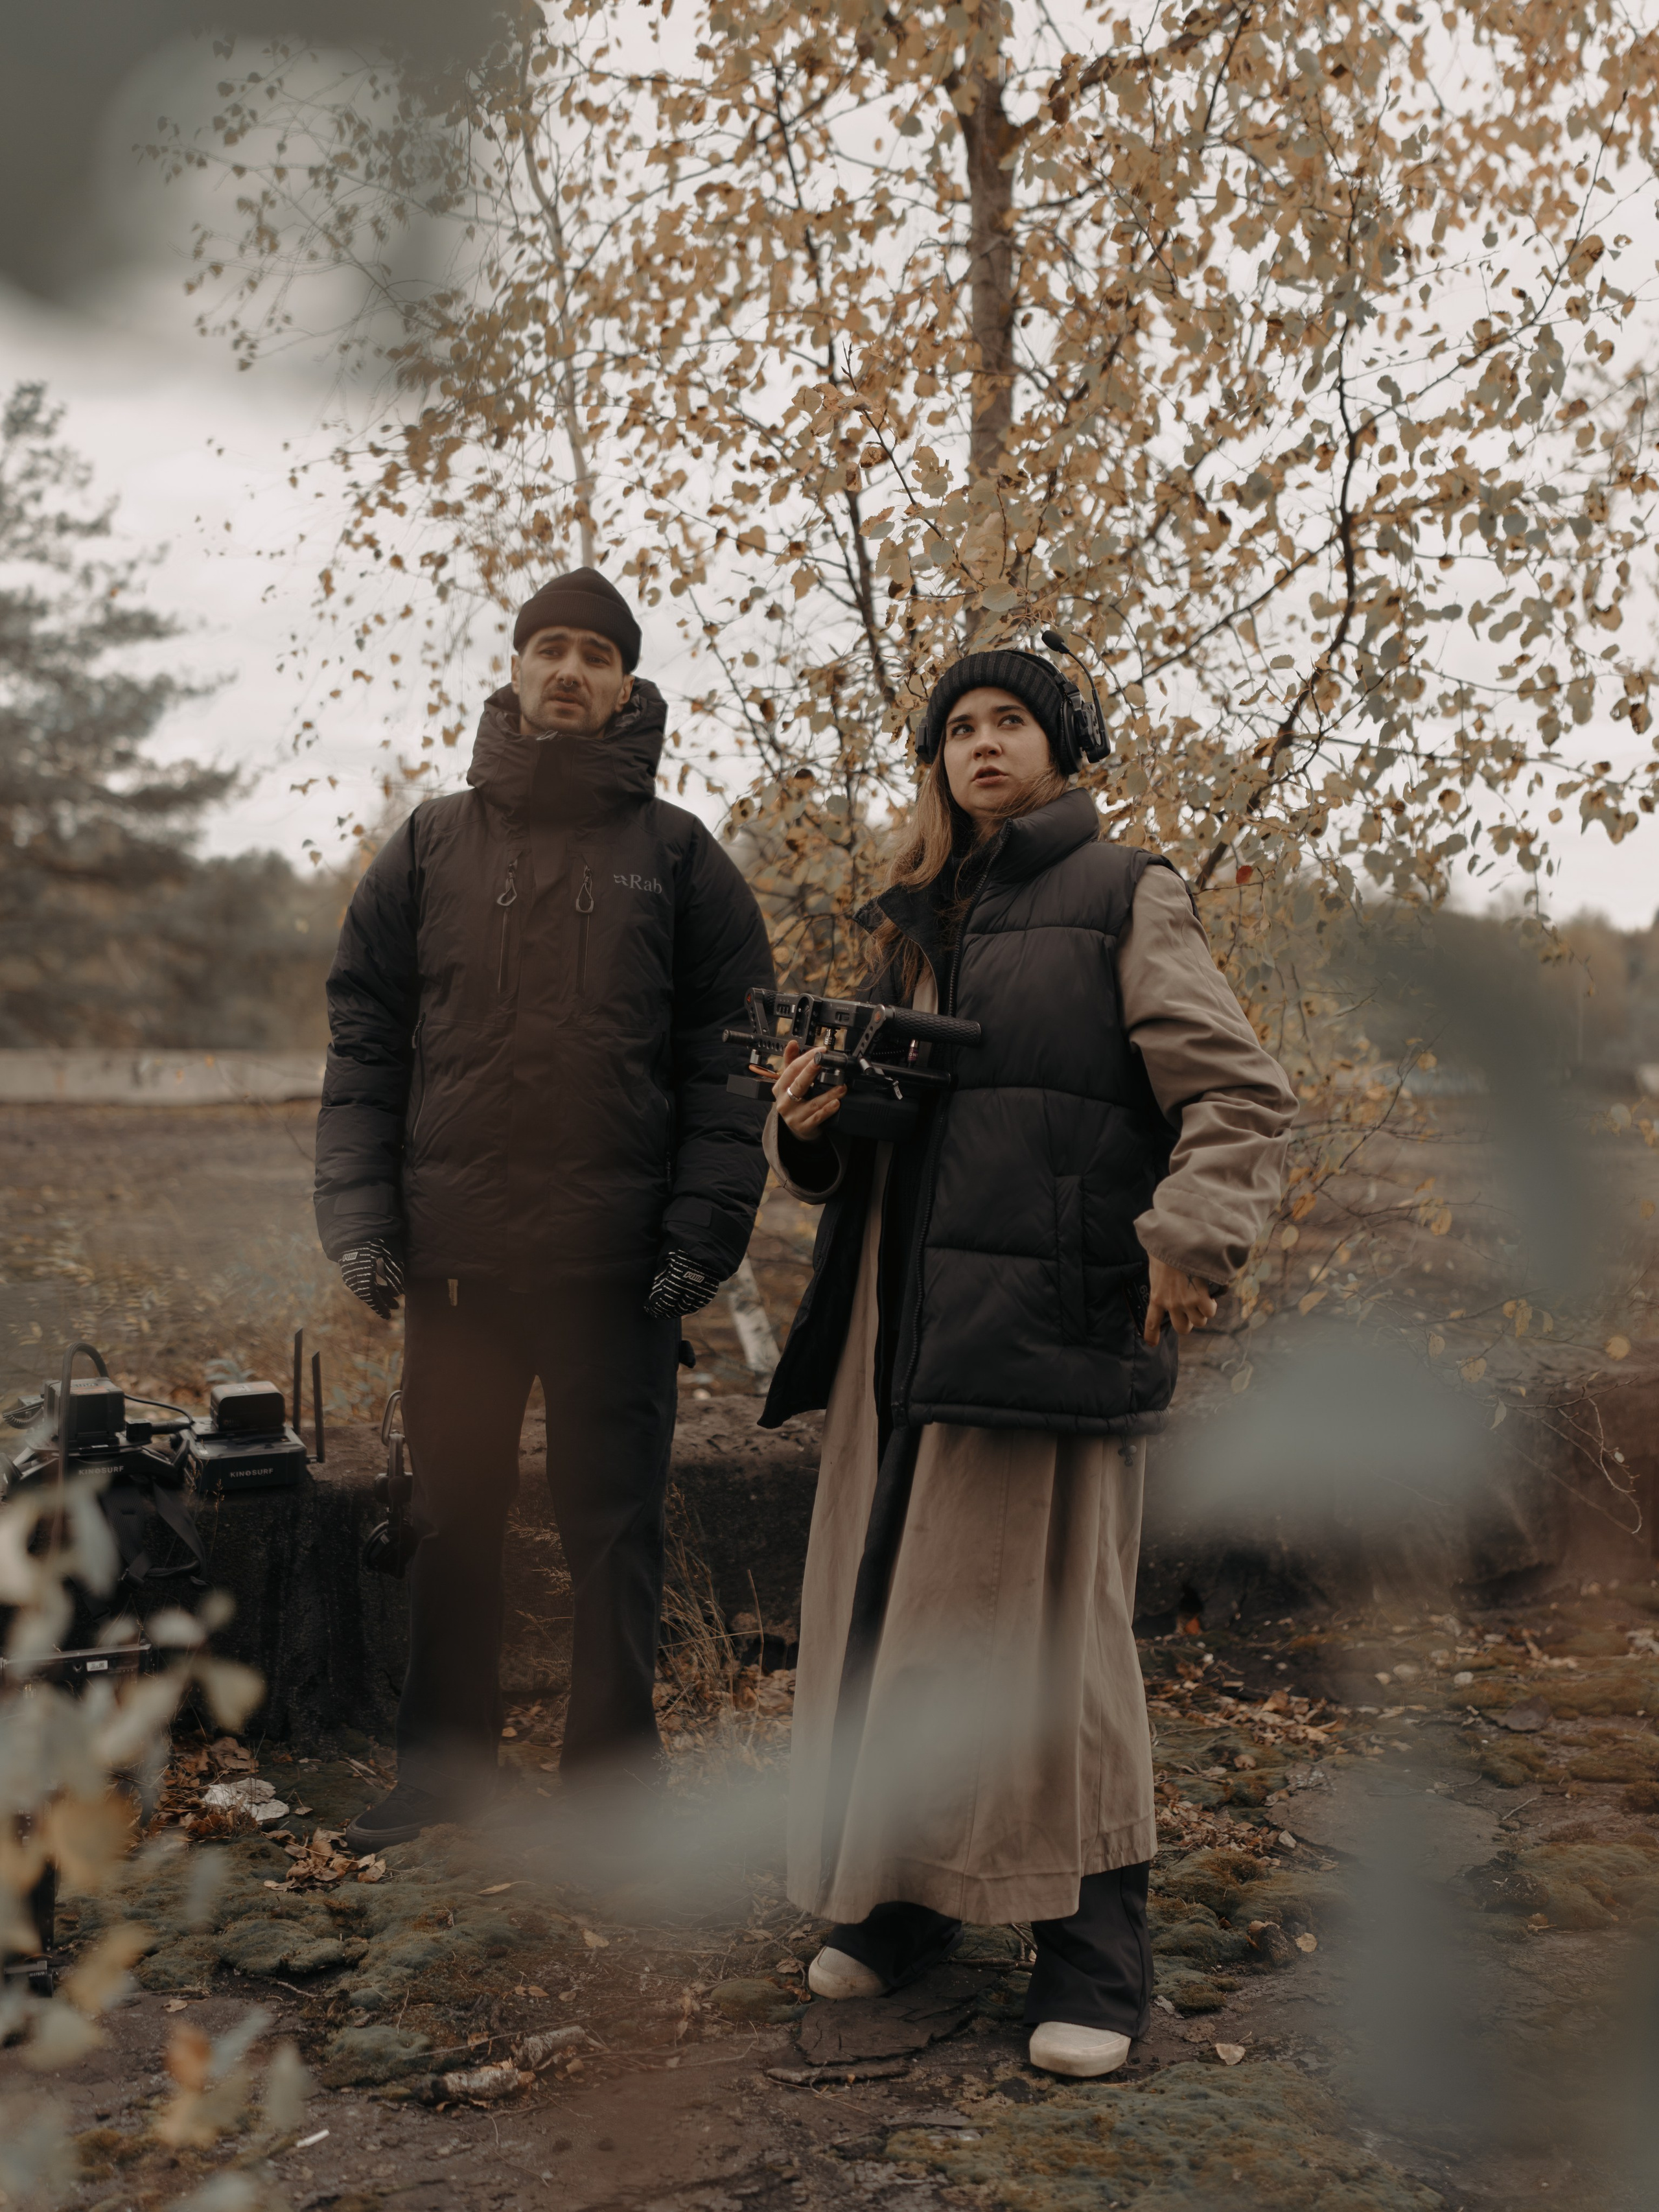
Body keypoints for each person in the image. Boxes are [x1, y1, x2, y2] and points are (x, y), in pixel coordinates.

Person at [759, 647, 1297, 2078]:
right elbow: (886, 1132)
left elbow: (1237, 1094)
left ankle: (1094, 1955)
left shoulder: (1125, 894)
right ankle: (906, 1897)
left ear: (1063, 750)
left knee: (1055, 1653)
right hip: (895, 1336)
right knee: (893, 1632)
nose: (981, 743)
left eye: (1010, 722)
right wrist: (809, 1128)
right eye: (958, 727)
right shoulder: (914, 917)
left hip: (1048, 1325)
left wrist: (1190, 1237)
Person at [313, 567, 774, 1849]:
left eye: (596, 654)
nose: (569, 669)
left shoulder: (680, 858)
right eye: (548, 647)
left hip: (616, 1274)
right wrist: (360, 1213)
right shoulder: (428, 845)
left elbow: (731, 1063)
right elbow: (365, 1042)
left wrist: (701, 1235)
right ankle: (444, 1775)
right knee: (450, 1522)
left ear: (626, 683)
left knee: (613, 1533)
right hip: (458, 1268)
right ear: (515, 670)